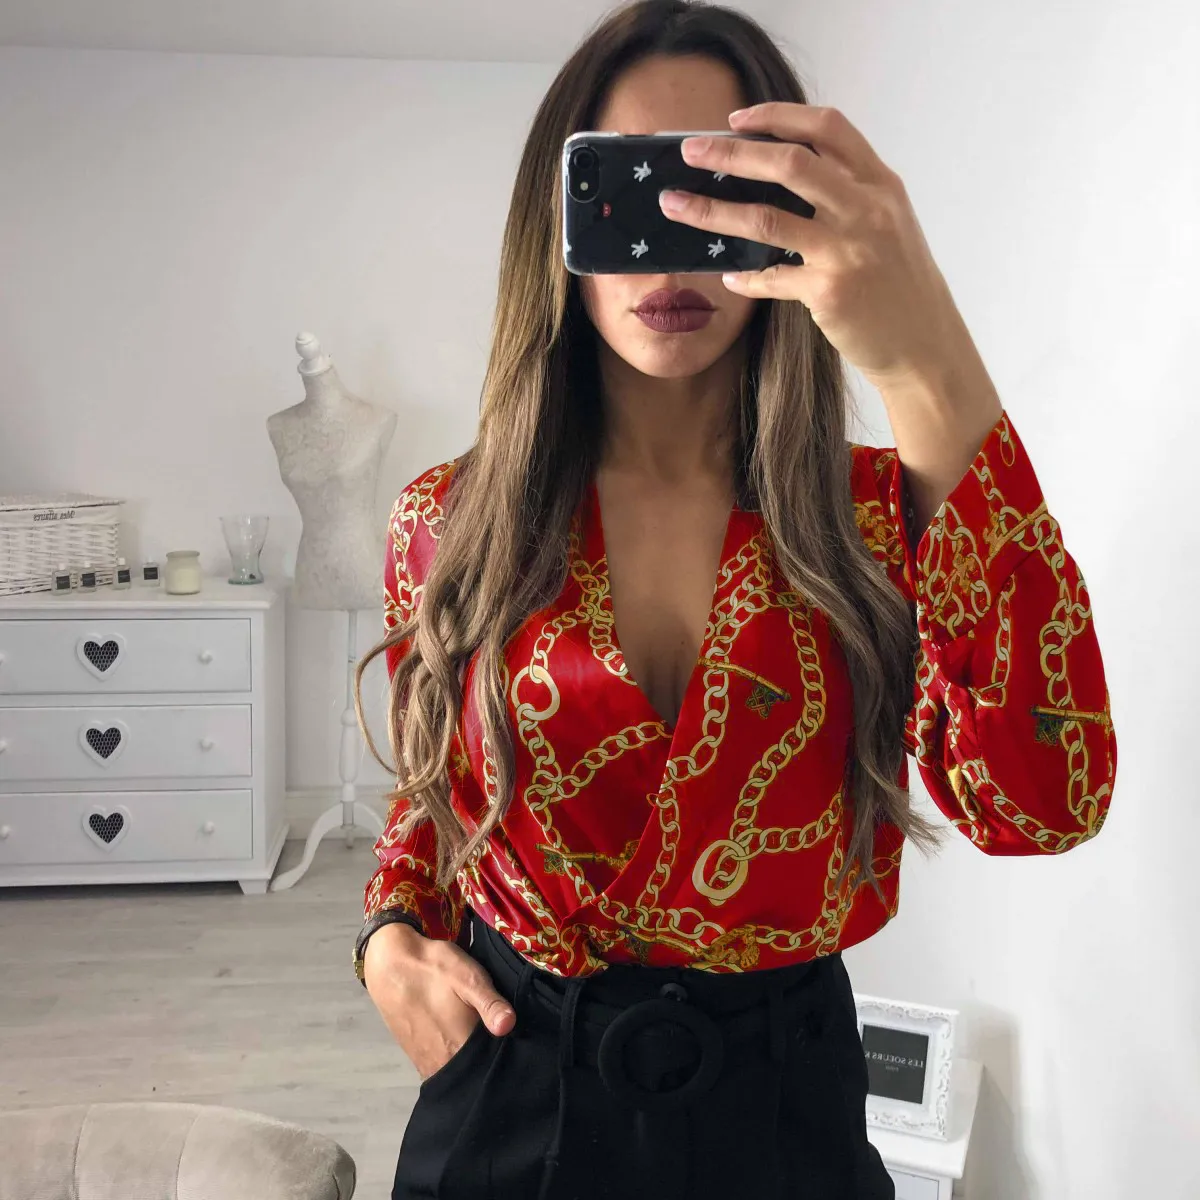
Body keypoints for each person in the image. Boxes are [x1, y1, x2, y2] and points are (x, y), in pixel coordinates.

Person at [352, 3, 1117, 1198]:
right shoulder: (448, 520)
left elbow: (1046, 802)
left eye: (720, 191)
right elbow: (432, 789)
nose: (675, 252)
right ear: (558, 218)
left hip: (785, 1105)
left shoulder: (880, 517)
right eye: (631, 187)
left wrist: (925, 351)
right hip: (513, 1093)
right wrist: (388, 936)